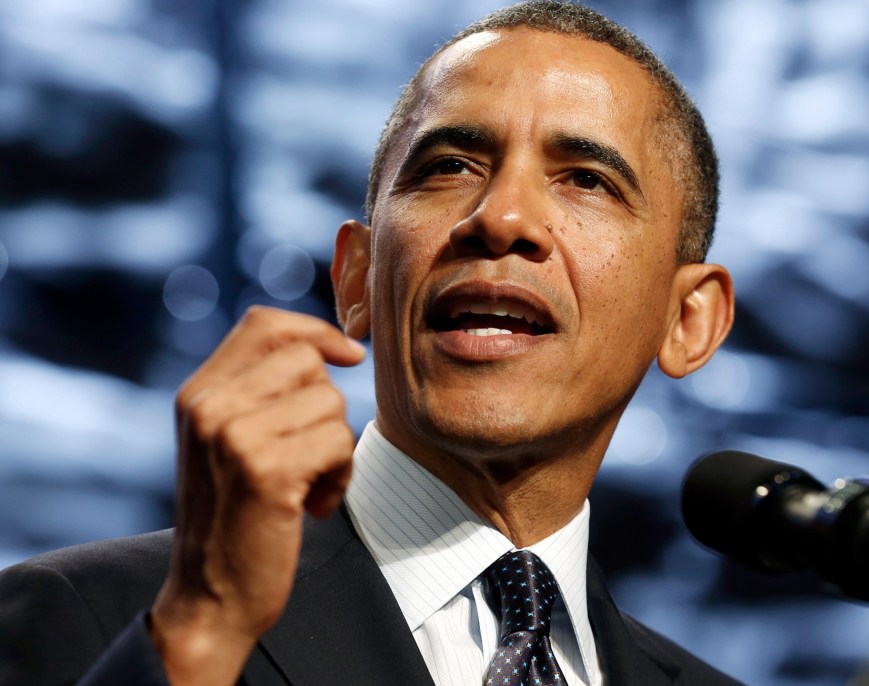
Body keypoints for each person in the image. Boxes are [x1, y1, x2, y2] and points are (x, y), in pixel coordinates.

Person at [0, 2, 739, 684]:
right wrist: (205, 629)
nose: (501, 215)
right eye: (449, 166)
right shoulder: (92, 619)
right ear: (356, 279)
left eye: (585, 178)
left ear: (689, 320)